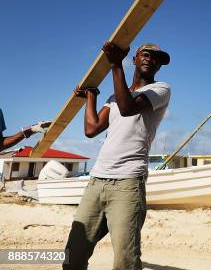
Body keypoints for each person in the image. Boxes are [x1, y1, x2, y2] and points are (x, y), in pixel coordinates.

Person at [63, 42, 171, 270]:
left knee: (125, 262)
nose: (150, 59)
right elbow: (91, 129)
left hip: (128, 184)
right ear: (135, 59)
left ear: (159, 66)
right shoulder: (114, 97)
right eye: (146, 54)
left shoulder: (160, 90)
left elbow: (128, 108)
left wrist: (115, 64)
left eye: (156, 58)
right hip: (96, 182)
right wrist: (90, 97)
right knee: (73, 256)